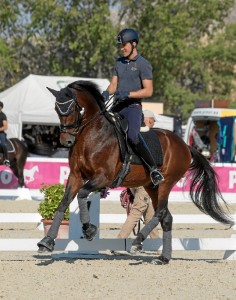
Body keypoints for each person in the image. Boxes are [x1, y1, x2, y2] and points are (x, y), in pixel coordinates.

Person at [102, 28, 164, 186]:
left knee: (133, 137)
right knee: (103, 129)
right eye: (120, 46)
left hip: (132, 107)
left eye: (124, 45)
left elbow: (148, 90)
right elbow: (113, 85)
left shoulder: (143, 64)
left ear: (134, 43)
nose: (122, 48)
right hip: (117, 105)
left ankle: (153, 169)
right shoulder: (119, 63)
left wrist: (128, 94)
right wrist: (105, 94)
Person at [117, 110, 159, 240]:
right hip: (143, 180)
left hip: (133, 179)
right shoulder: (150, 137)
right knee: (137, 211)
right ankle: (120, 240)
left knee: (149, 215)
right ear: (150, 120)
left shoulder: (130, 134)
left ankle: (157, 243)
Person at [0, 101, 10, 167]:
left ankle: (6, 159)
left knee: (3, 144)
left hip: (1, 133)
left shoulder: (3, 116)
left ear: (1, 107)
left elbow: (5, 126)